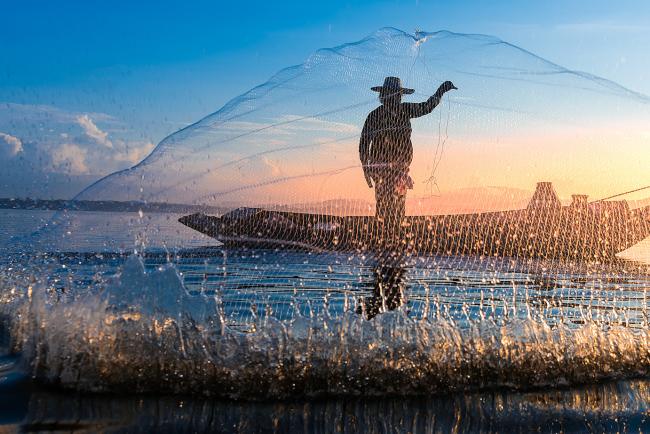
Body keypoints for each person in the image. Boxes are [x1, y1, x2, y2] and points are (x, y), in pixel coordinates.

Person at [359, 77, 457, 228]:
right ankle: (388, 240)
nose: (393, 98)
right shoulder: (376, 116)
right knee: (388, 206)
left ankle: (389, 239)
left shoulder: (399, 111)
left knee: (394, 205)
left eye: (395, 95)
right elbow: (364, 143)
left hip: (398, 170)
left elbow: (427, 107)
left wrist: (441, 91)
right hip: (383, 170)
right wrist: (366, 168)